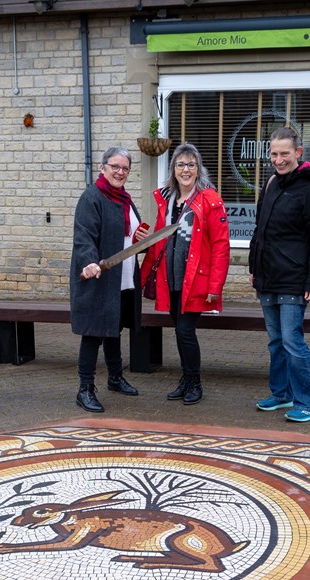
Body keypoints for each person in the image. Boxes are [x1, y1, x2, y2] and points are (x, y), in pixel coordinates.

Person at [248, 126, 310, 423]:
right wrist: (253, 268)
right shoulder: (272, 183)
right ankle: (282, 393)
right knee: (275, 341)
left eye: (284, 153)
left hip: (295, 279)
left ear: (298, 153)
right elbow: (259, 229)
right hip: (268, 277)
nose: (278, 159)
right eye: (274, 154)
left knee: (292, 341)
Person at [139, 143, 230, 405]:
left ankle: (195, 382)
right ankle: (186, 379)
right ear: (173, 169)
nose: (186, 169)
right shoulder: (167, 199)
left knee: (186, 332)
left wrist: (216, 285)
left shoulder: (210, 199)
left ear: (198, 168)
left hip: (196, 281)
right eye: (181, 164)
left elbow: (221, 246)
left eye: (191, 164)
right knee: (179, 331)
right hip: (171, 280)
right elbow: (159, 242)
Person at [69, 146, 148, 413]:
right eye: (115, 166)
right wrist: (90, 261)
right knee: (94, 333)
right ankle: (85, 390)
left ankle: (115, 377)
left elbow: (132, 235)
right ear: (103, 168)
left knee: (114, 328)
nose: (120, 172)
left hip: (123, 277)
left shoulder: (124, 198)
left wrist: (142, 240)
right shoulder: (93, 197)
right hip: (99, 277)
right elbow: (84, 236)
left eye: (125, 168)